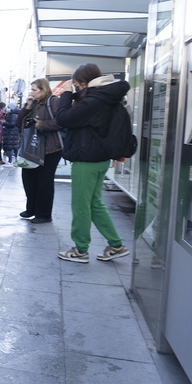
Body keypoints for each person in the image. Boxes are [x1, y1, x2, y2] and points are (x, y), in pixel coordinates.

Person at [55, 63, 131, 263]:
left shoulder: (93, 101)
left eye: (77, 85)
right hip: (100, 159)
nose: (76, 88)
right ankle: (116, 245)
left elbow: (63, 118)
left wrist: (65, 95)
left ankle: (80, 250)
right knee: (95, 204)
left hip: (86, 160)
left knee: (81, 205)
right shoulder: (106, 97)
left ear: (81, 82)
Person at [17, 79, 64, 224]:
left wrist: (42, 125)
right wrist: (27, 106)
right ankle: (31, 209)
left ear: (43, 90)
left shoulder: (53, 102)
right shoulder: (34, 104)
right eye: (30, 89)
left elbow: (62, 121)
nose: (31, 92)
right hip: (32, 147)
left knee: (44, 181)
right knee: (28, 177)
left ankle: (44, 214)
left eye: (34, 90)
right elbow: (19, 122)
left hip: (51, 148)